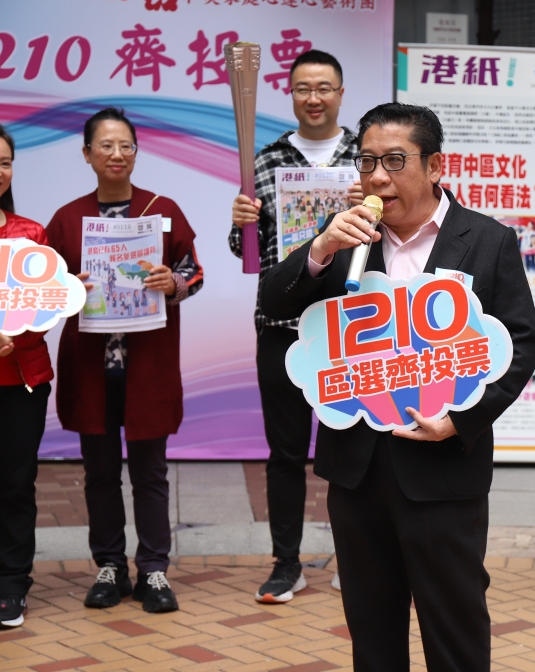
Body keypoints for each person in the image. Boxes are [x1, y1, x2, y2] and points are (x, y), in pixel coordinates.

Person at [259, 102, 535, 671]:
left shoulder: (486, 240)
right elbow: (274, 299)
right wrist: (320, 249)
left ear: (435, 166)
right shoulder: (346, 237)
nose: (377, 177)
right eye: (366, 162)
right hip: (357, 467)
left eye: (394, 161)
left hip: (443, 467)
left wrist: (460, 421)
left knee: (455, 625)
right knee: (372, 629)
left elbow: (520, 344)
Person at [46, 107, 204, 614]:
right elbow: (47, 288)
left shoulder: (163, 210)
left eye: (126, 146)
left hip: (148, 366)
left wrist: (172, 282)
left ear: (136, 152)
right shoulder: (67, 219)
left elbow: (193, 272)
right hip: (91, 367)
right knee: (99, 473)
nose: (117, 154)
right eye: (106, 146)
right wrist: (69, 288)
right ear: (87, 153)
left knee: (150, 473)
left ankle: (153, 568)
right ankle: (110, 566)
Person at [229, 49, 362, 602]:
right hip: (281, 323)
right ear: (290, 94)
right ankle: (287, 564)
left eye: (324, 88)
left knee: (352, 449)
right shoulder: (266, 161)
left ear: (340, 93)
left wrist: (371, 205)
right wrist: (241, 223)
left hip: (351, 326)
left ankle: (356, 557)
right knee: (285, 454)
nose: (314, 98)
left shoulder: (365, 158)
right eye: (304, 88)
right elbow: (247, 252)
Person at [0, 125, 55, 629]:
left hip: (21, 381)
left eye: (4, 162)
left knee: (16, 484)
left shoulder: (30, 234)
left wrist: (18, 335)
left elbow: (44, 307)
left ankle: (12, 584)